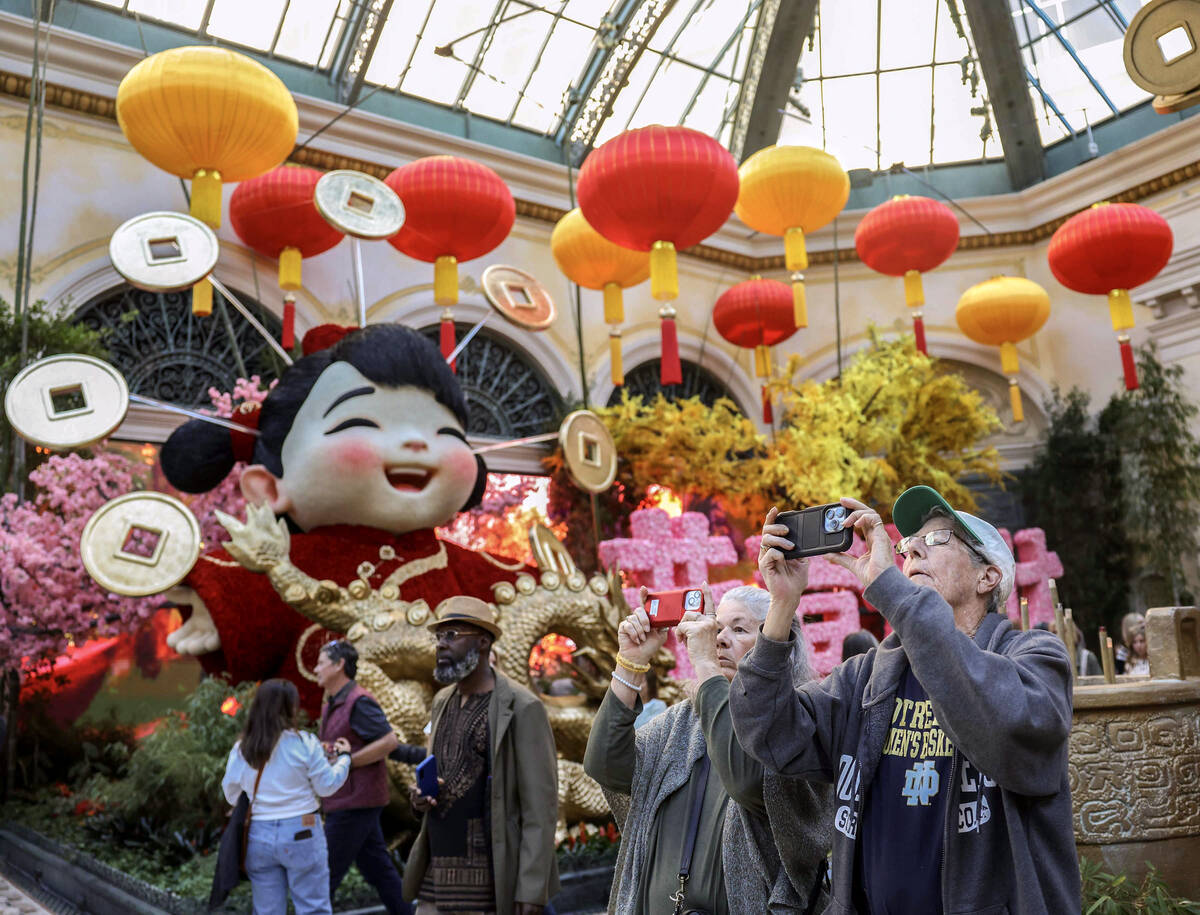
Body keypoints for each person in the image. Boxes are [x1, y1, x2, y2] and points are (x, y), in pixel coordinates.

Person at [731, 486, 1079, 914]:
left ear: (987, 577)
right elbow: (768, 732)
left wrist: (890, 589)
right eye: (908, 545)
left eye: (936, 539)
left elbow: (1003, 722)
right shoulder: (866, 676)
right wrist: (782, 606)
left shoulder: (1035, 658)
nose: (912, 550)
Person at [584, 583, 831, 915]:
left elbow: (747, 781)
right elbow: (605, 765)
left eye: (738, 629)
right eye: (715, 628)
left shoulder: (795, 719)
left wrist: (705, 665)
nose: (719, 639)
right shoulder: (681, 722)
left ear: (778, 644)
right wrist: (630, 663)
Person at [403, 596, 559, 915]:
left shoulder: (522, 706)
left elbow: (540, 807)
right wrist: (420, 798)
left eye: (452, 635)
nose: (441, 644)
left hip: (488, 883)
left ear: (483, 641)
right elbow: (441, 773)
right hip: (434, 876)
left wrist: (531, 887)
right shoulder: (442, 700)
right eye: (439, 637)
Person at [222, 679, 351, 915]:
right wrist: (344, 759)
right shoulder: (305, 743)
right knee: (314, 909)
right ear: (291, 707)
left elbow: (231, 795)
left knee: (267, 911)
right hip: (303, 830)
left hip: (259, 834)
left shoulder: (243, 749)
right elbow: (327, 787)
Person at [316, 640, 423, 914]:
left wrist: (348, 761)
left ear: (339, 665)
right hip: (349, 798)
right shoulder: (333, 704)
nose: (316, 669)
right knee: (379, 871)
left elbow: (388, 742)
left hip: (354, 801)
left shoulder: (359, 701)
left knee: (322, 875)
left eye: (321, 663)